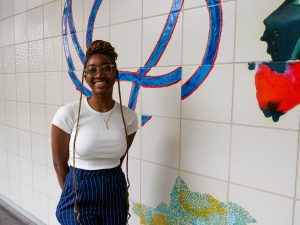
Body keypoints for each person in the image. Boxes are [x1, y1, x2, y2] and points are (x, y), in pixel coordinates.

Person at [51, 40, 138, 225]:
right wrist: (72, 191)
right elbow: (59, 164)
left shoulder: (129, 117)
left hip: (113, 188)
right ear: (85, 75)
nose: (99, 74)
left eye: (106, 68)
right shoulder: (68, 114)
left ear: (115, 73)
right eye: (92, 69)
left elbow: (118, 158)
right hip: (79, 189)